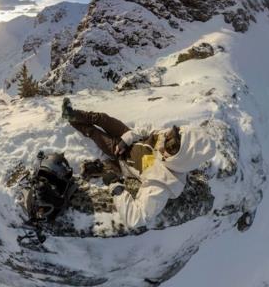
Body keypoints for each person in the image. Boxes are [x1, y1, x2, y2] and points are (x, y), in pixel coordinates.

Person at [62, 98, 216, 229]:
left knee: (94, 133)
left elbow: (136, 218)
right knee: (101, 118)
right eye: (170, 136)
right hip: (128, 140)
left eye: (170, 147)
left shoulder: (163, 182)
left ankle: (73, 122)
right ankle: (70, 113)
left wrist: (116, 186)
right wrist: (126, 139)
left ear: (183, 159)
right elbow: (147, 130)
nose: (164, 144)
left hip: (121, 159)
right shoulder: (173, 139)